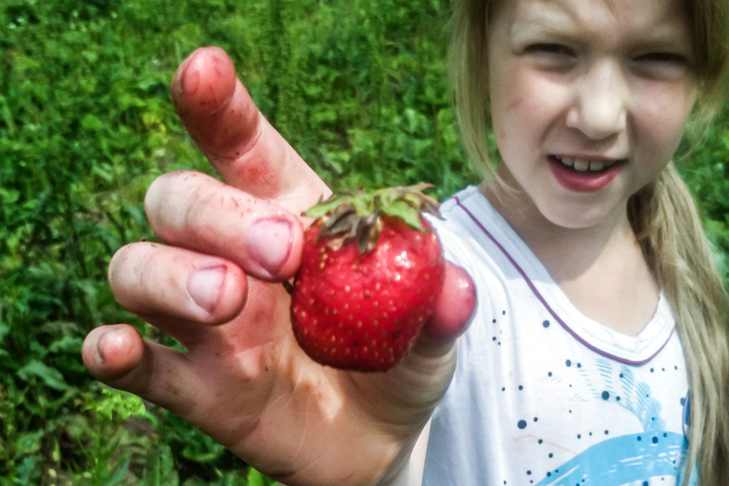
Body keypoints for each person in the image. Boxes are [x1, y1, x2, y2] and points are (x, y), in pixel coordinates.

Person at [82, 0, 729, 484]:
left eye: (654, 60)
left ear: (700, 81)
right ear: (481, 50)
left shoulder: (684, 268)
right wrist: (377, 463)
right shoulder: (438, 297)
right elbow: (399, 442)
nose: (597, 115)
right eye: (554, 50)